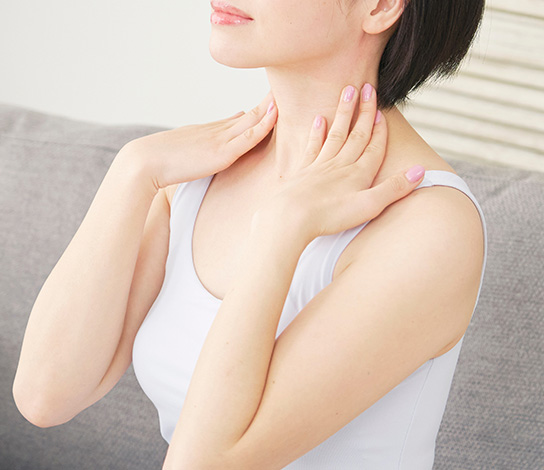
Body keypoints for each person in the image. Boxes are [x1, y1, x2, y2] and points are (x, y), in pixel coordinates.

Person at [13, 0, 487, 467]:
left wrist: (281, 230)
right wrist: (133, 169)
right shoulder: (196, 169)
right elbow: (45, 395)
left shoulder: (429, 226)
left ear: (380, 6)